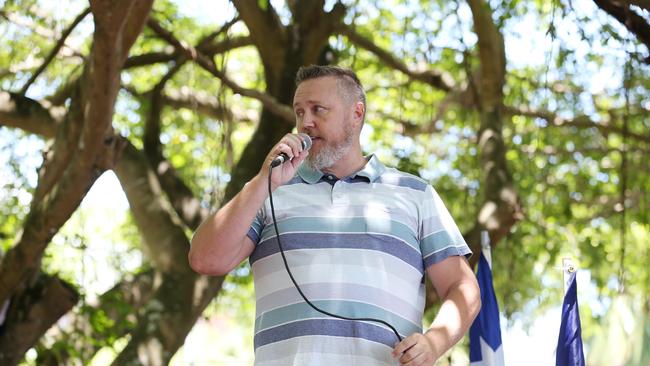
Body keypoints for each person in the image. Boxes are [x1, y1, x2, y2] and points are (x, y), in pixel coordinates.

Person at [189, 65, 481, 366]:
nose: (306, 123)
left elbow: (463, 287)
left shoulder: (415, 193)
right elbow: (205, 259)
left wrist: (433, 343)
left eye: (318, 110)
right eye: (299, 112)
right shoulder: (269, 192)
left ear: (357, 114)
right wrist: (264, 180)